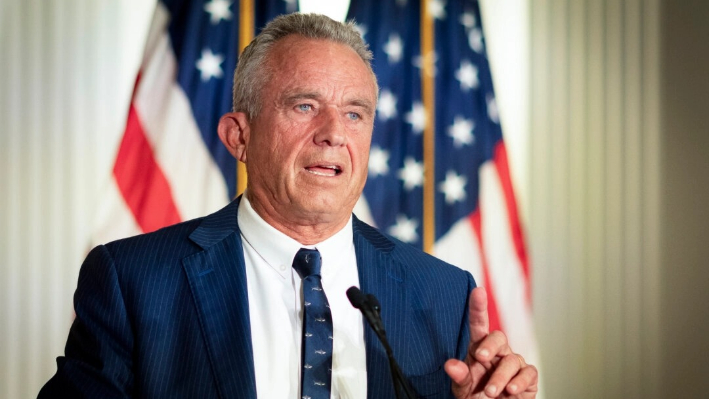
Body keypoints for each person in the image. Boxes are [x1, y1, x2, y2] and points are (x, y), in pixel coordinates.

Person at [39, 13, 538, 399]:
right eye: (303, 106)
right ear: (239, 136)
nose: (334, 134)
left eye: (354, 113)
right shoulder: (133, 281)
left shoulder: (445, 293)